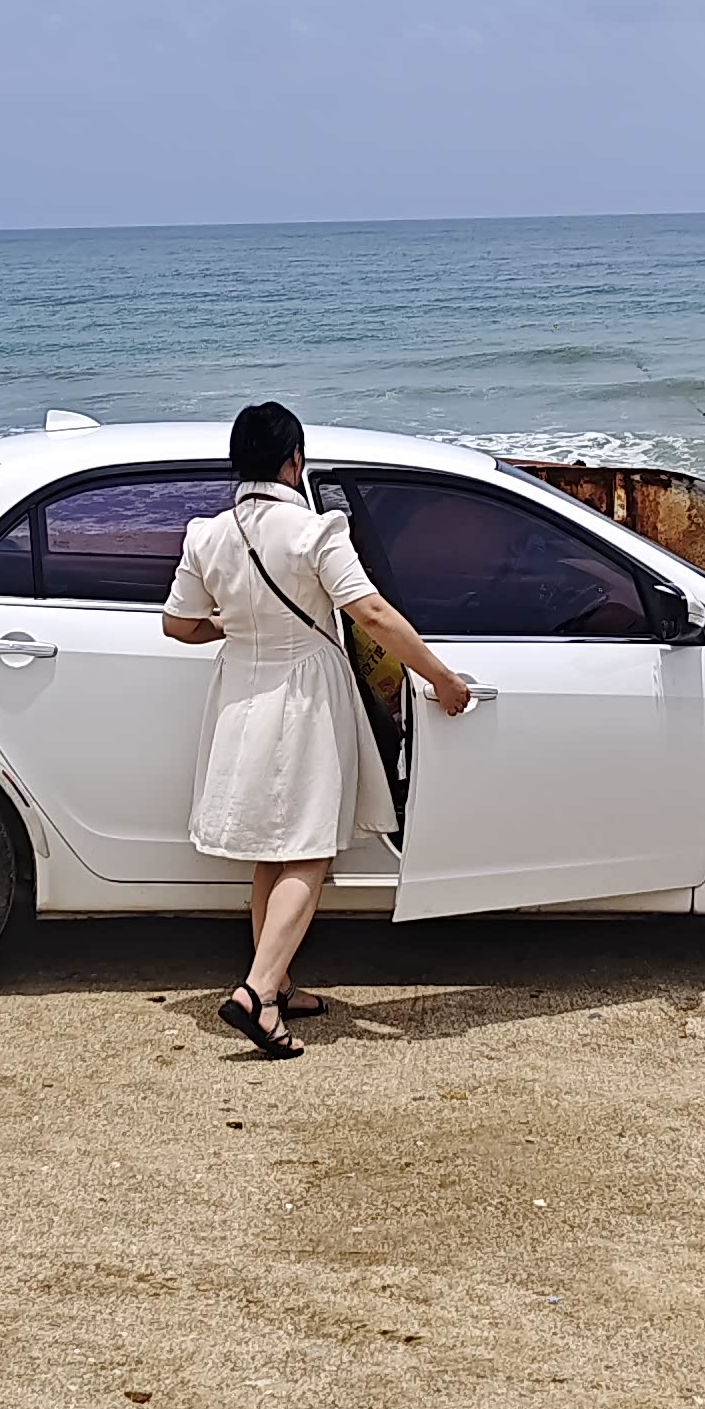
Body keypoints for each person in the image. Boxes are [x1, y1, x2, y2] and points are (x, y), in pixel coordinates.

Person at [162, 400, 473, 1057]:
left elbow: (179, 625)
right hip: (305, 696)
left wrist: (237, 625)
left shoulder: (206, 535)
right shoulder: (314, 531)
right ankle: (257, 993)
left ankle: (277, 983)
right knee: (308, 848)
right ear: (294, 460)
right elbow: (372, 614)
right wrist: (441, 678)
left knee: (272, 850)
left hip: (241, 695)